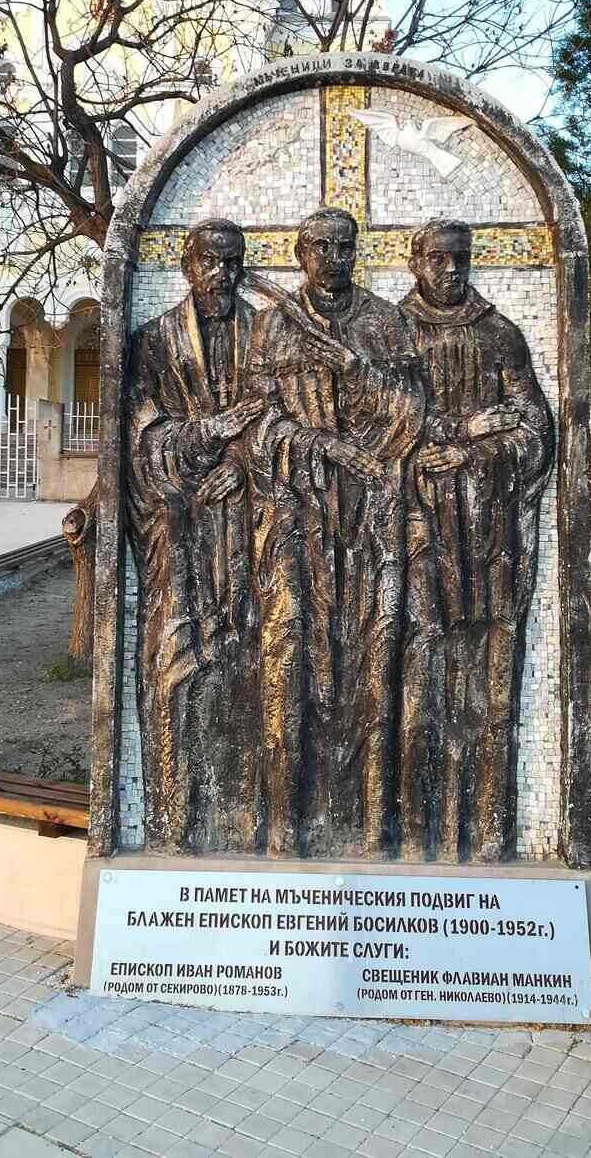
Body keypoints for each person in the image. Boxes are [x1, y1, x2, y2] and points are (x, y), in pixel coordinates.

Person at [245, 207, 425, 858]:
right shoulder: (271, 325)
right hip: (299, 517)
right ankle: (287, 823)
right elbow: (258, 423)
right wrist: (323, 446)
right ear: (300, 253)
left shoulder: (386, 322)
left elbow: (411, 412)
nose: (332, 257)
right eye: (319, 246)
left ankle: (375, 824)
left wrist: (355, 368)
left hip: (370, 518)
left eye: (344, 246)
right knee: (293, 655)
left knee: (375, 657)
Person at [399, 219, 554, 862]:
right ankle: (414, 834)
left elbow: (536, 431)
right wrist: (465, 429)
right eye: (438, 258)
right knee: (420, 683)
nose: (451, 269)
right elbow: (382, 427)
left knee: (491, 690)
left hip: (490, 540)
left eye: (460, 258)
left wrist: (470, 452)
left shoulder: (499, 335)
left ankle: (489, 832)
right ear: (415, 262)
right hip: (420, 536)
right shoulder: (394, 333)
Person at [126, 218, 262, 852]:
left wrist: (244, 464)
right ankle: (170, 820)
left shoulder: (264, 334)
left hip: (247, 529)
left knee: (246, 662)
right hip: (179, 531)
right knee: (174, 662)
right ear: (188, 266)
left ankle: (240, 821)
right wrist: (208, 435)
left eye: (232, 261)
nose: (222, 273)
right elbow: (143, 438)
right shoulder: (154, 342)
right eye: (210, 261)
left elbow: (285, 418)